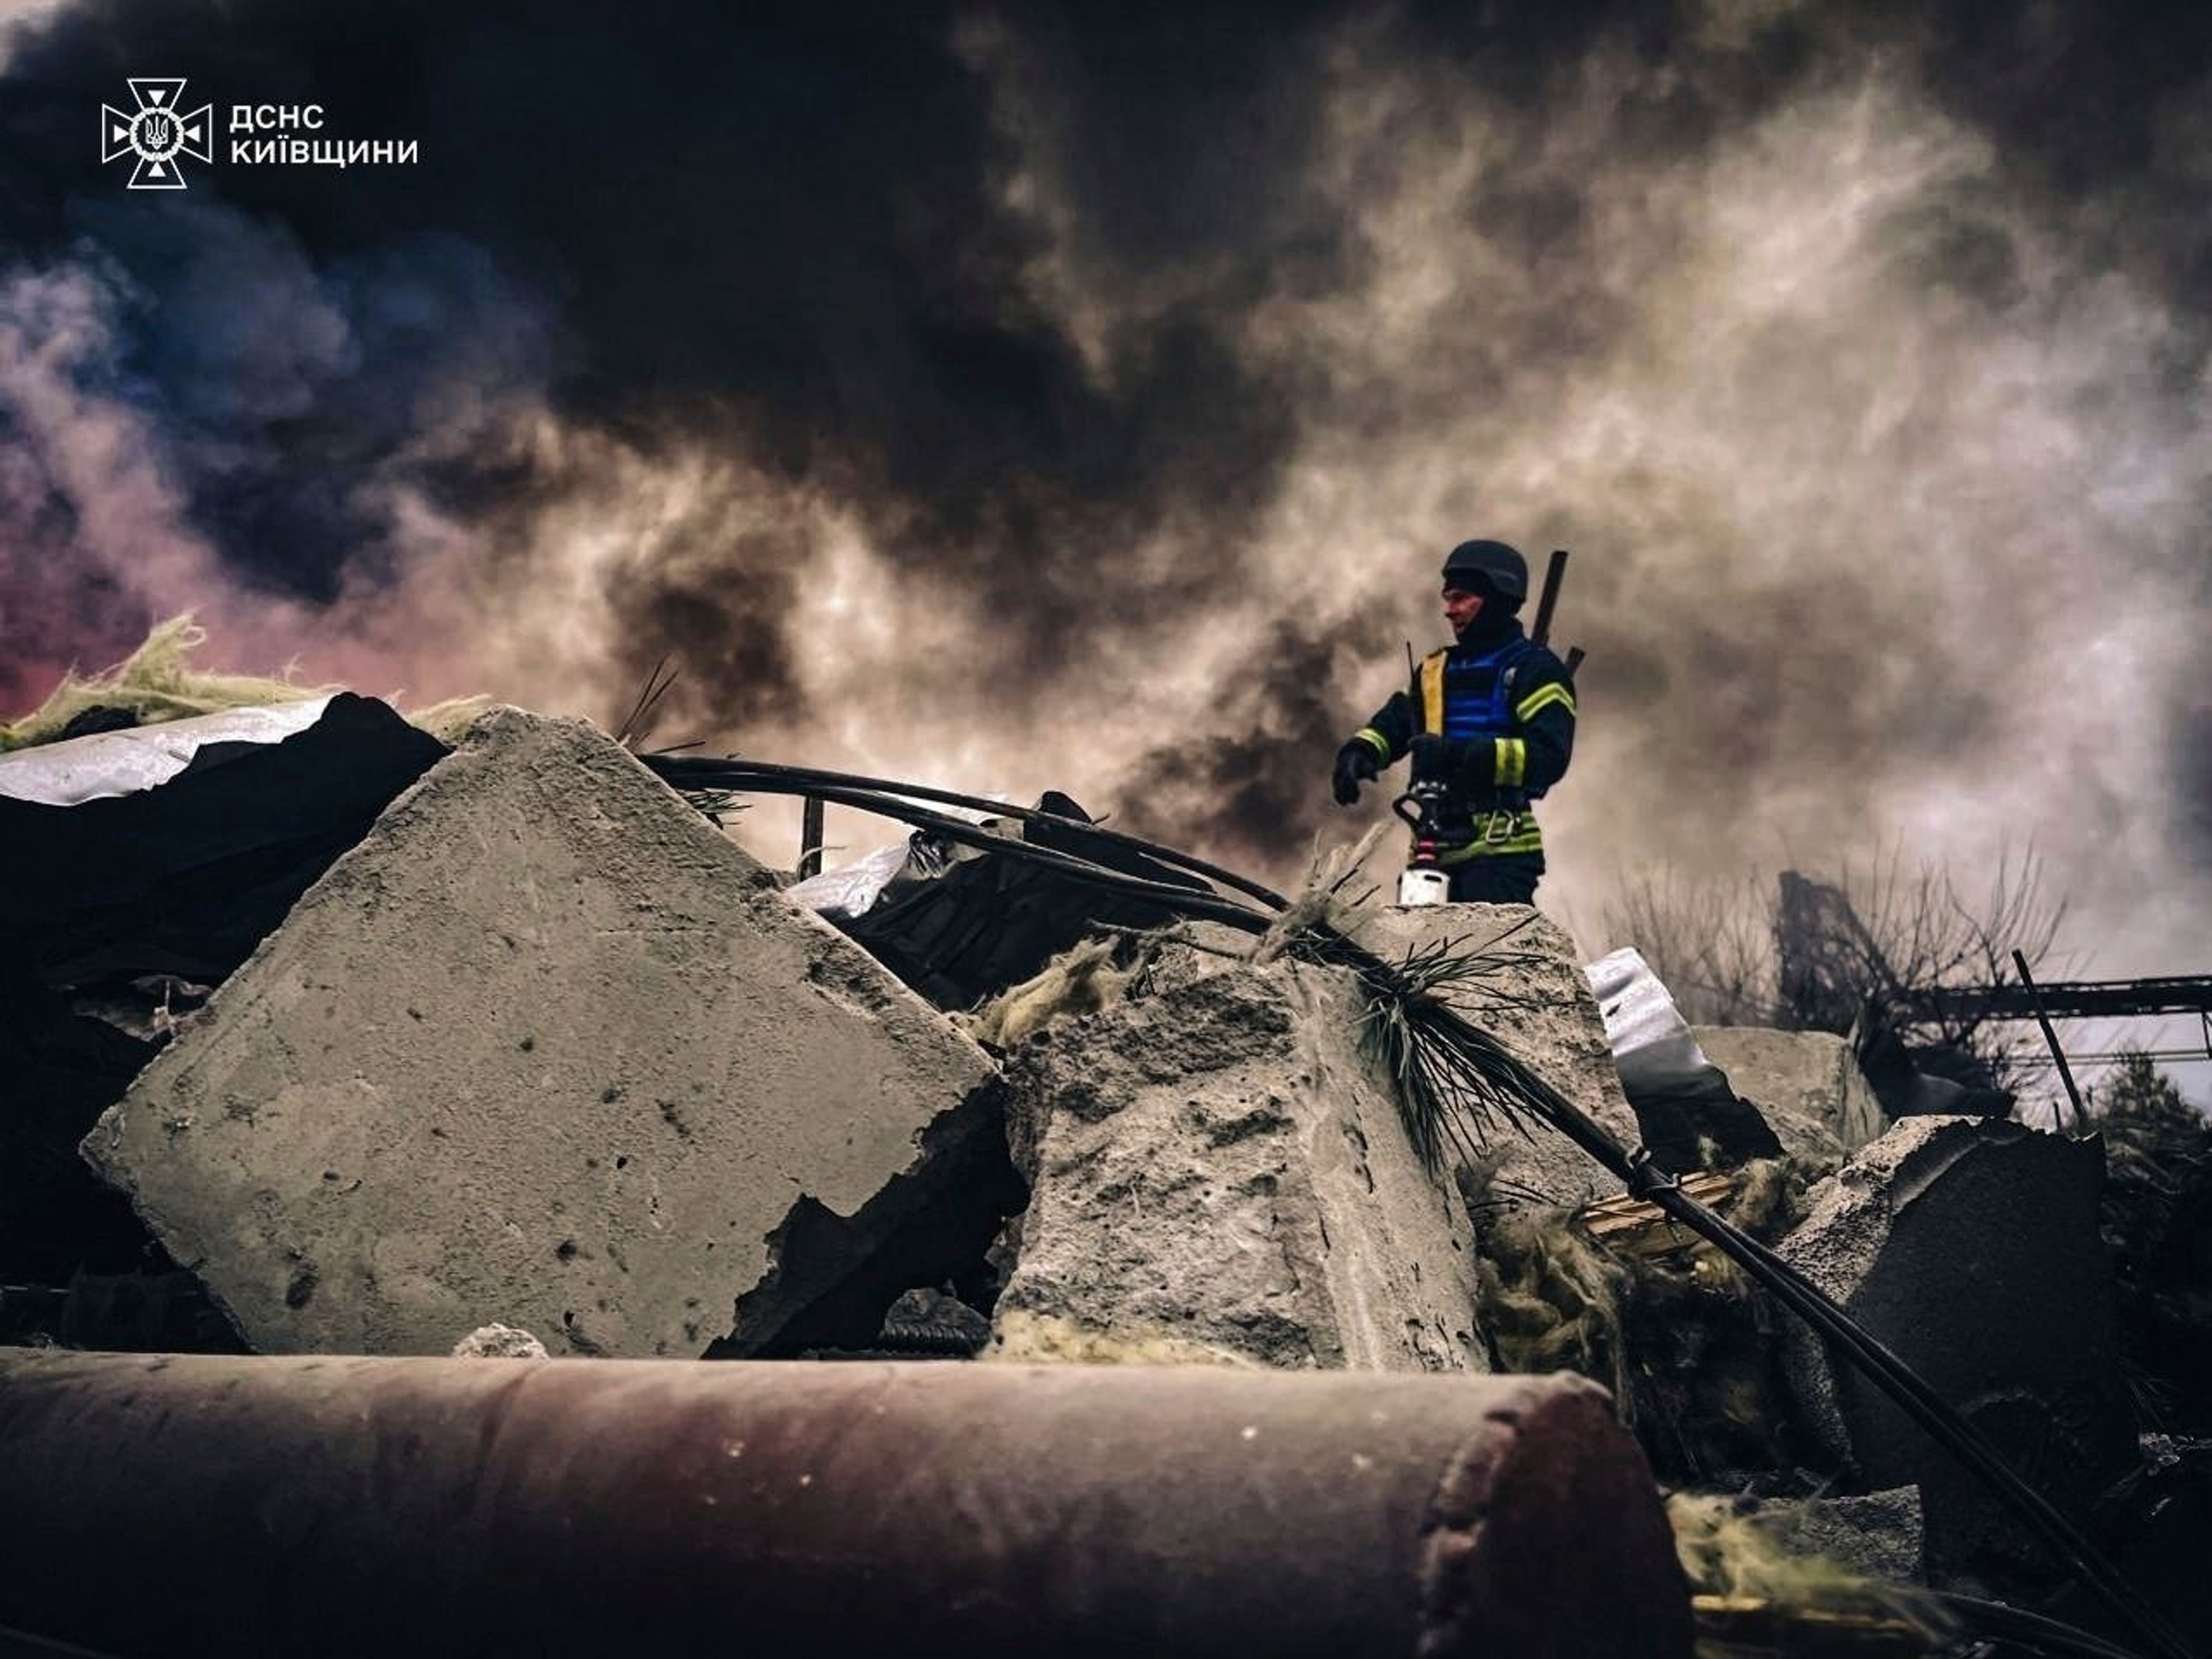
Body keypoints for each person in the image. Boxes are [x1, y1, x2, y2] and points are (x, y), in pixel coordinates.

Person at [1331, 539, 1577, 904]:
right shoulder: (1434, 670)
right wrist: (1360, 751)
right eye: (1448, 598)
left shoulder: (1536, 670)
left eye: (1461, 598)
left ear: (1496, 597)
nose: (1450, 610)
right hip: (1431, 850)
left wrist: (1459, 754)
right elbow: (1395, 724)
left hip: (1501, 854)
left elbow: (1548, 757)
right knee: (1417, 958)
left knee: (1485, 958)